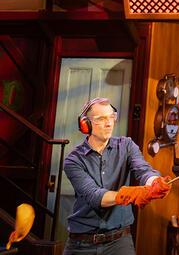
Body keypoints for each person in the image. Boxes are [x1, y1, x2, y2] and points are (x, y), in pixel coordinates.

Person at [63, 97, 171, 255]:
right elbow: (94, 195)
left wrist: (154, 181)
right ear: (85, 124)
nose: (109, 123)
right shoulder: (73, 160)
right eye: (101, 119)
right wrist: (128, 194)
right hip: (81, 244)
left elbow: (142, 170)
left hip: (119, 242)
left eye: (111, 117)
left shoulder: (126, 146)